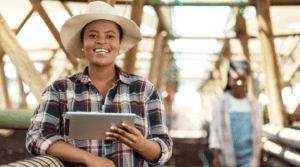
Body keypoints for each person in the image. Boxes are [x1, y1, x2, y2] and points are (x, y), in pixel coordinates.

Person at [25, 1, 173, 167]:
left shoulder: (144, 90)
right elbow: (37, 136)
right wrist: (89, 158)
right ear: (82, 42)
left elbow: (164, 149)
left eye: (110, 36)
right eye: (92, 35)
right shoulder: (60, 89)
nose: (101, 42)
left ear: (119, 44)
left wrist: (141, 144)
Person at [209, 60, 263, 167]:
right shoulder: (221, 103)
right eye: (236, 80)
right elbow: (215, 131)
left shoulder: (254, 104)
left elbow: (259, 132)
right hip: (227, 159)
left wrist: (261, 157)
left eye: (243, 80)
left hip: (250, 160)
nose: (239, 83)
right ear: (229, 80)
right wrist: (216, 157)